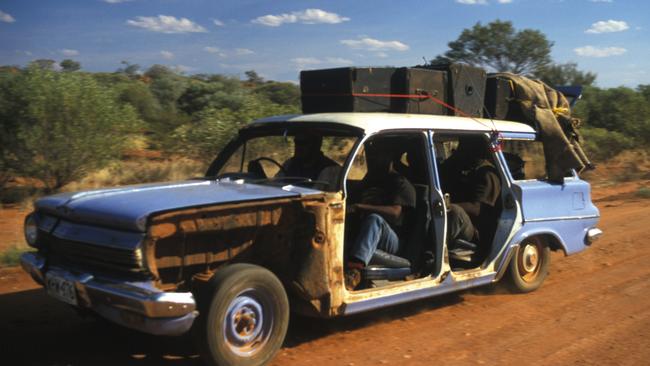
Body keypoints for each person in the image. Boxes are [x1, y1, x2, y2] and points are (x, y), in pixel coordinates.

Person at [345, 139, 416, 290]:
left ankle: (354, 271)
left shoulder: (401, 183)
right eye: (370, 153)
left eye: (377, 153)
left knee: (374, 220)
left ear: (389, 156)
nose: (372, 157)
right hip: (366, 232)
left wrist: (361, 207)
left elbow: (395, 213)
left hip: (392, 240)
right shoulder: (370, 179)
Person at [440, 135, 501, 257]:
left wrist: (445, 205)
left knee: (454, 211)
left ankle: (434, 255)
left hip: (476, 231)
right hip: (458, 223)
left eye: (464, 147)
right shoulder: (462, 168)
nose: (460, 150)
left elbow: (477, 208)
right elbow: (442, 171)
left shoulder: (487, 174)